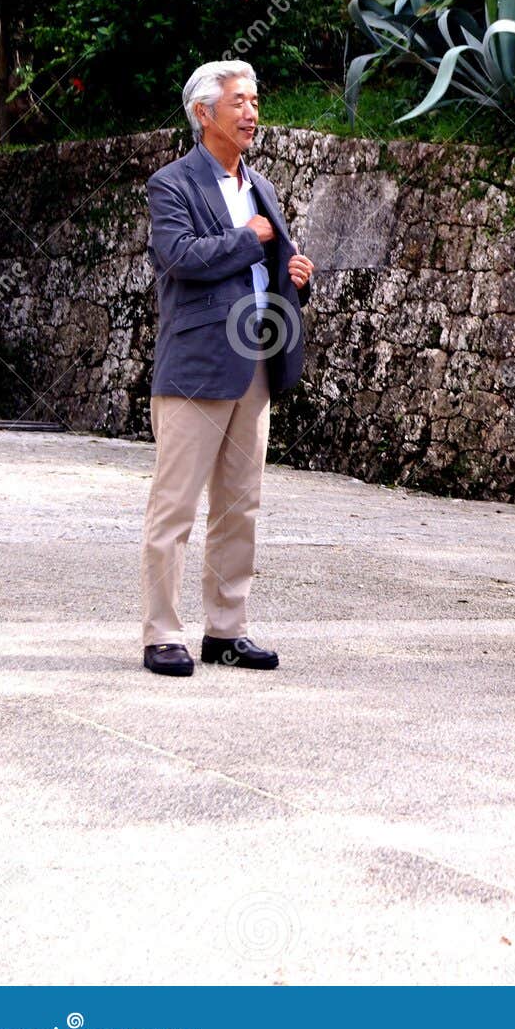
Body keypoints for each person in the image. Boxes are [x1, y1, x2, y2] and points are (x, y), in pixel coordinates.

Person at [139, 60, 315, 676]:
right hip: (195, 368)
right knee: (176, 507)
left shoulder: (261, 186)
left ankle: (226, 630)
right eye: (239, 102)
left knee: (240, 506)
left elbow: (271, 262)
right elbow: (180, 258)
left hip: (257, 366)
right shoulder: (172, 183)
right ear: (203, 113)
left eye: (256, 102)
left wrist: (295, 277)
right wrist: (251, 238)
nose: (252, 113)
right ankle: (162, 632)